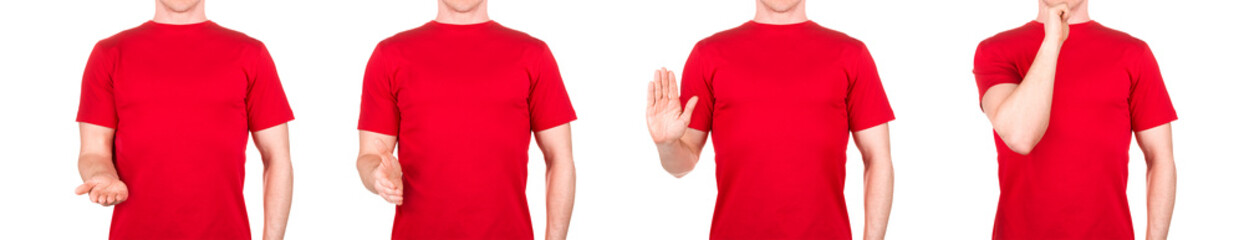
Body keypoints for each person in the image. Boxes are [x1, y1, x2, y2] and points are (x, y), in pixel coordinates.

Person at [645, 0, 895, 239]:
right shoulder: (707, 55)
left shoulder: (852, 55)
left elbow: (878, 159)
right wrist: (666, 145)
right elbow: (682, 163)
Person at [353, 0, 577, 239]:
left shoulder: (534, 55)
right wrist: (377, 174)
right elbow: (369, 156)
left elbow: (560, 159)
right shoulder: (390, 55)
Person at [73, 0, 295, 239]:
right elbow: (93, 152)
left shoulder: (251, 53)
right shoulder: (109, 53)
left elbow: (277, 158)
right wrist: (103, 175)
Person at [972, 0, 1177, 239]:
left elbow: (1160, 158)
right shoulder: (996, 50)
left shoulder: (1133, 53)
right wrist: (1052, 41)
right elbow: (1020, 137)